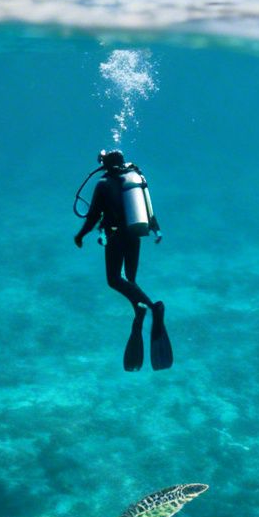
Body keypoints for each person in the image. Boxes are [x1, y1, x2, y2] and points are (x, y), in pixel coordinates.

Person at [74, 149, 171, 371]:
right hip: (134, 234)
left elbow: (92, 218)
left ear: (105, 165)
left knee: (114, 279)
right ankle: (139, 311)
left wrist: (80, 236)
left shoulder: (103, 184)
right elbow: (147, 208)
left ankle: (152, 308)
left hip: (116, 235)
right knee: (130, 280)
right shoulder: (135, 179)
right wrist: (156, 229)